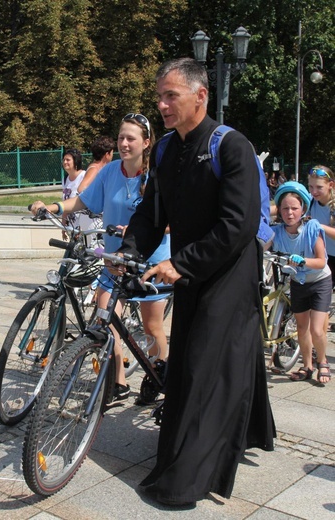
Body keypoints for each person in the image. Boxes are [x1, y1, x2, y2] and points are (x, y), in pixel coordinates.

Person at [112, 57, 275, 506]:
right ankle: (249, 429)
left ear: (200, 96)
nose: (162, 104)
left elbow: (238, 224)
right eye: (160, 95)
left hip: (229, 273)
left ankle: (186, 477)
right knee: (192, 357)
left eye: (171, 95)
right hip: (188, 269)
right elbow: (152, 212)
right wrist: (130, 250)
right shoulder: (164, 148)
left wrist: (183, 264)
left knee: (204, 364)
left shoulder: (231, 146)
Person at [30, 114, 170, 402]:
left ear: (146, 143)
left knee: (151, 327)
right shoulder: (109, 172)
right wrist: (54, 206)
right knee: (103, 321)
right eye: (121, 137)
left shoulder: (155, 175)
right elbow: (83, 200)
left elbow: (172, 220)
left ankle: (158, 375)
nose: (124, 143)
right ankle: (117, 383)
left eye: (131, 138)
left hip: (150, 259)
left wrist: (139, 228)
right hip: (114, 260)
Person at [272, 181, 332, 385]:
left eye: (294, 208)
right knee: (301, 327)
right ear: (279, 210)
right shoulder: (278, 231)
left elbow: (321, 260)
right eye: (285, 208)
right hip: (299, 281)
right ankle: (307, 366)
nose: (290, 213)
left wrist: (303, 260)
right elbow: (262, 247)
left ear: (303, 209)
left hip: (320, 281)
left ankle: (322, 362)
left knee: (316, 329)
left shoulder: (312, 228)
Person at [308, 165, 335, 287]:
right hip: (323, 257)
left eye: (319, 187)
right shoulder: (311, 201)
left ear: (331, 185)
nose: (314, 191)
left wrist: (318, 226)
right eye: (311, 186)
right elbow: (280, 207)